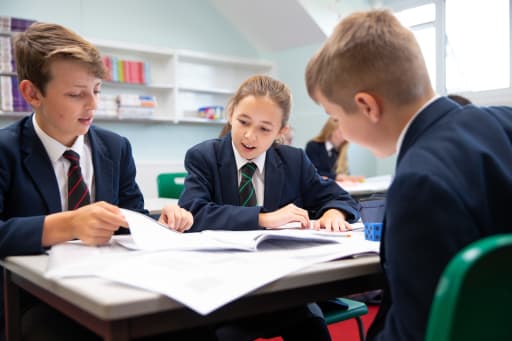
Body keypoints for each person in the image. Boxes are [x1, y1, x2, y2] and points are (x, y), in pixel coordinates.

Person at [305, 9, 512, 341]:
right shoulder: (505, 122)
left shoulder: (420, 183)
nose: (338, 128)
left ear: (367, 106)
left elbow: (417, 332)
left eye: (335, 115)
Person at [1, 22, 198, 341]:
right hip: (35, 302)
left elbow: (127, 218)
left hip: (113, 287)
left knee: (191, 325)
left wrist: (157, 221)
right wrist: (69, 225)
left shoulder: (115, 148)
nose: (93, 105)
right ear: (32, 93)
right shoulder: (5, 151)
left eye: (96, 90)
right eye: (77, 94)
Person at [179, 74, 360, 341]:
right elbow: (194, 212)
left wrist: (334, 212)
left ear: (281, 131)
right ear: (231, 114)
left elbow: (339, 198)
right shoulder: (204, 156)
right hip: (222, 287)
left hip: (281, 286)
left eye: (265, 129)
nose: (250, 136)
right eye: (243, 122)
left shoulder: (293, 160)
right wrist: (264, 218)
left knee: (312, 326)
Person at [305, 118, 364, 182]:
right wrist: (337, 177)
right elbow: (313, 173)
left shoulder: (341, 149)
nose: (345, 134)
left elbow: (344, 172)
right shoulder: (313, 146)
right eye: (341, 131)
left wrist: (349, 178)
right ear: (330, 130)